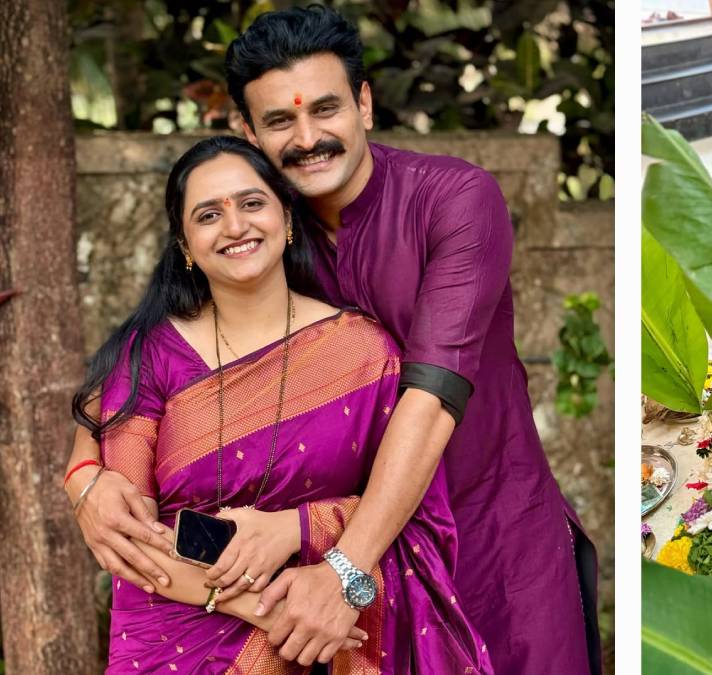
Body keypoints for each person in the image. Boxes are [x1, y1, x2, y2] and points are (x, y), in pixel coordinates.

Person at [64, 7, 599, 672]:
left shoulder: (454, 201)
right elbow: (148, 356)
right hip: (336, 578)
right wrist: (85, 476)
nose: (308, 137)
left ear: (364, 104)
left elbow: (431, 398)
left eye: (326, 109)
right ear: (248, 131)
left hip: (490, 532)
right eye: (280, 121)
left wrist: (344, 565)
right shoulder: (262, 234)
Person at [71, 136, 490, 673]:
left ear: (287, 219)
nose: (235, 226)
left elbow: (413, 511)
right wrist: (266, 609)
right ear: (185, 244)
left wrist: (301, 529)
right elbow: (130, 539)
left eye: (252, 203)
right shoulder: (149, 356)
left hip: (327, 628)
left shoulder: (363, 352)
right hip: (170, 639)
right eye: (208, 215)